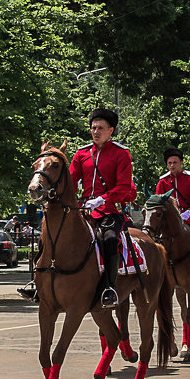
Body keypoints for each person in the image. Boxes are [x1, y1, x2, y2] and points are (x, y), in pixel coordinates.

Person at [70, 108, 137, 309]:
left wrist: (102, 200)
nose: (96, 131)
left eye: (100, 128)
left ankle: (109, 286)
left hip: (109, 210)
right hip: (83, 210)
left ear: (111, 131)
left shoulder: (121, 153)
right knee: (54, 232)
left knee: (109, 239)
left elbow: (124, 187)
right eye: (93, 128)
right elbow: (71, 182)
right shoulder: (81, 154)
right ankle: (42, 283)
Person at [155, 147, 190, 223]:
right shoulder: (163, 181)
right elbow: (158, 202)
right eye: (170, 163)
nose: (172, 165)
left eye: (175, 162)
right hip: (170, 219)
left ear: (181, 162)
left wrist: (189, 212)